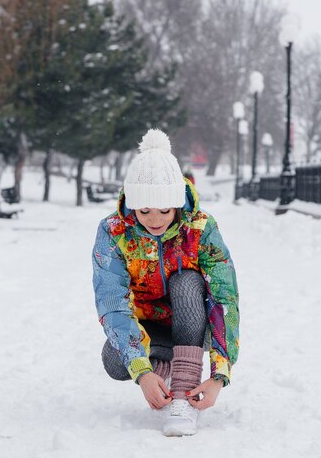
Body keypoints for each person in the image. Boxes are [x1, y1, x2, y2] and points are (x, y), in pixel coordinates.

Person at [92, 129, 239, 437]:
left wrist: (219, 373)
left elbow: (224, 298)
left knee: (186, 281)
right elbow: (112, 301)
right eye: (144, 210)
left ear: (177, 204)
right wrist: (143, 372)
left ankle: (184, 397)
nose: (155, 219)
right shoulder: (114, 232)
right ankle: (172, 374)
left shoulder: (200, 229)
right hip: (151, 328)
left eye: (164, 210)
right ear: (132, 205)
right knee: (114, 361)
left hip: (193, 322)